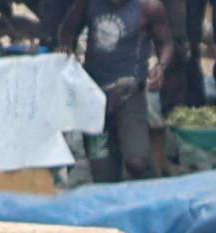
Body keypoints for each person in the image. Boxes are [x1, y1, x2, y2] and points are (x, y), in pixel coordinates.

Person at [57, 0, 172, 183]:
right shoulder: (87, 4)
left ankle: (157, 186)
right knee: (103, 176)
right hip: (94, 102)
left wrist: (161, 66)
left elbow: (165, 43)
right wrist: (67, 49)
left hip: (129, 97)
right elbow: (68, 30)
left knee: (137, 161)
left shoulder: (149, 7)